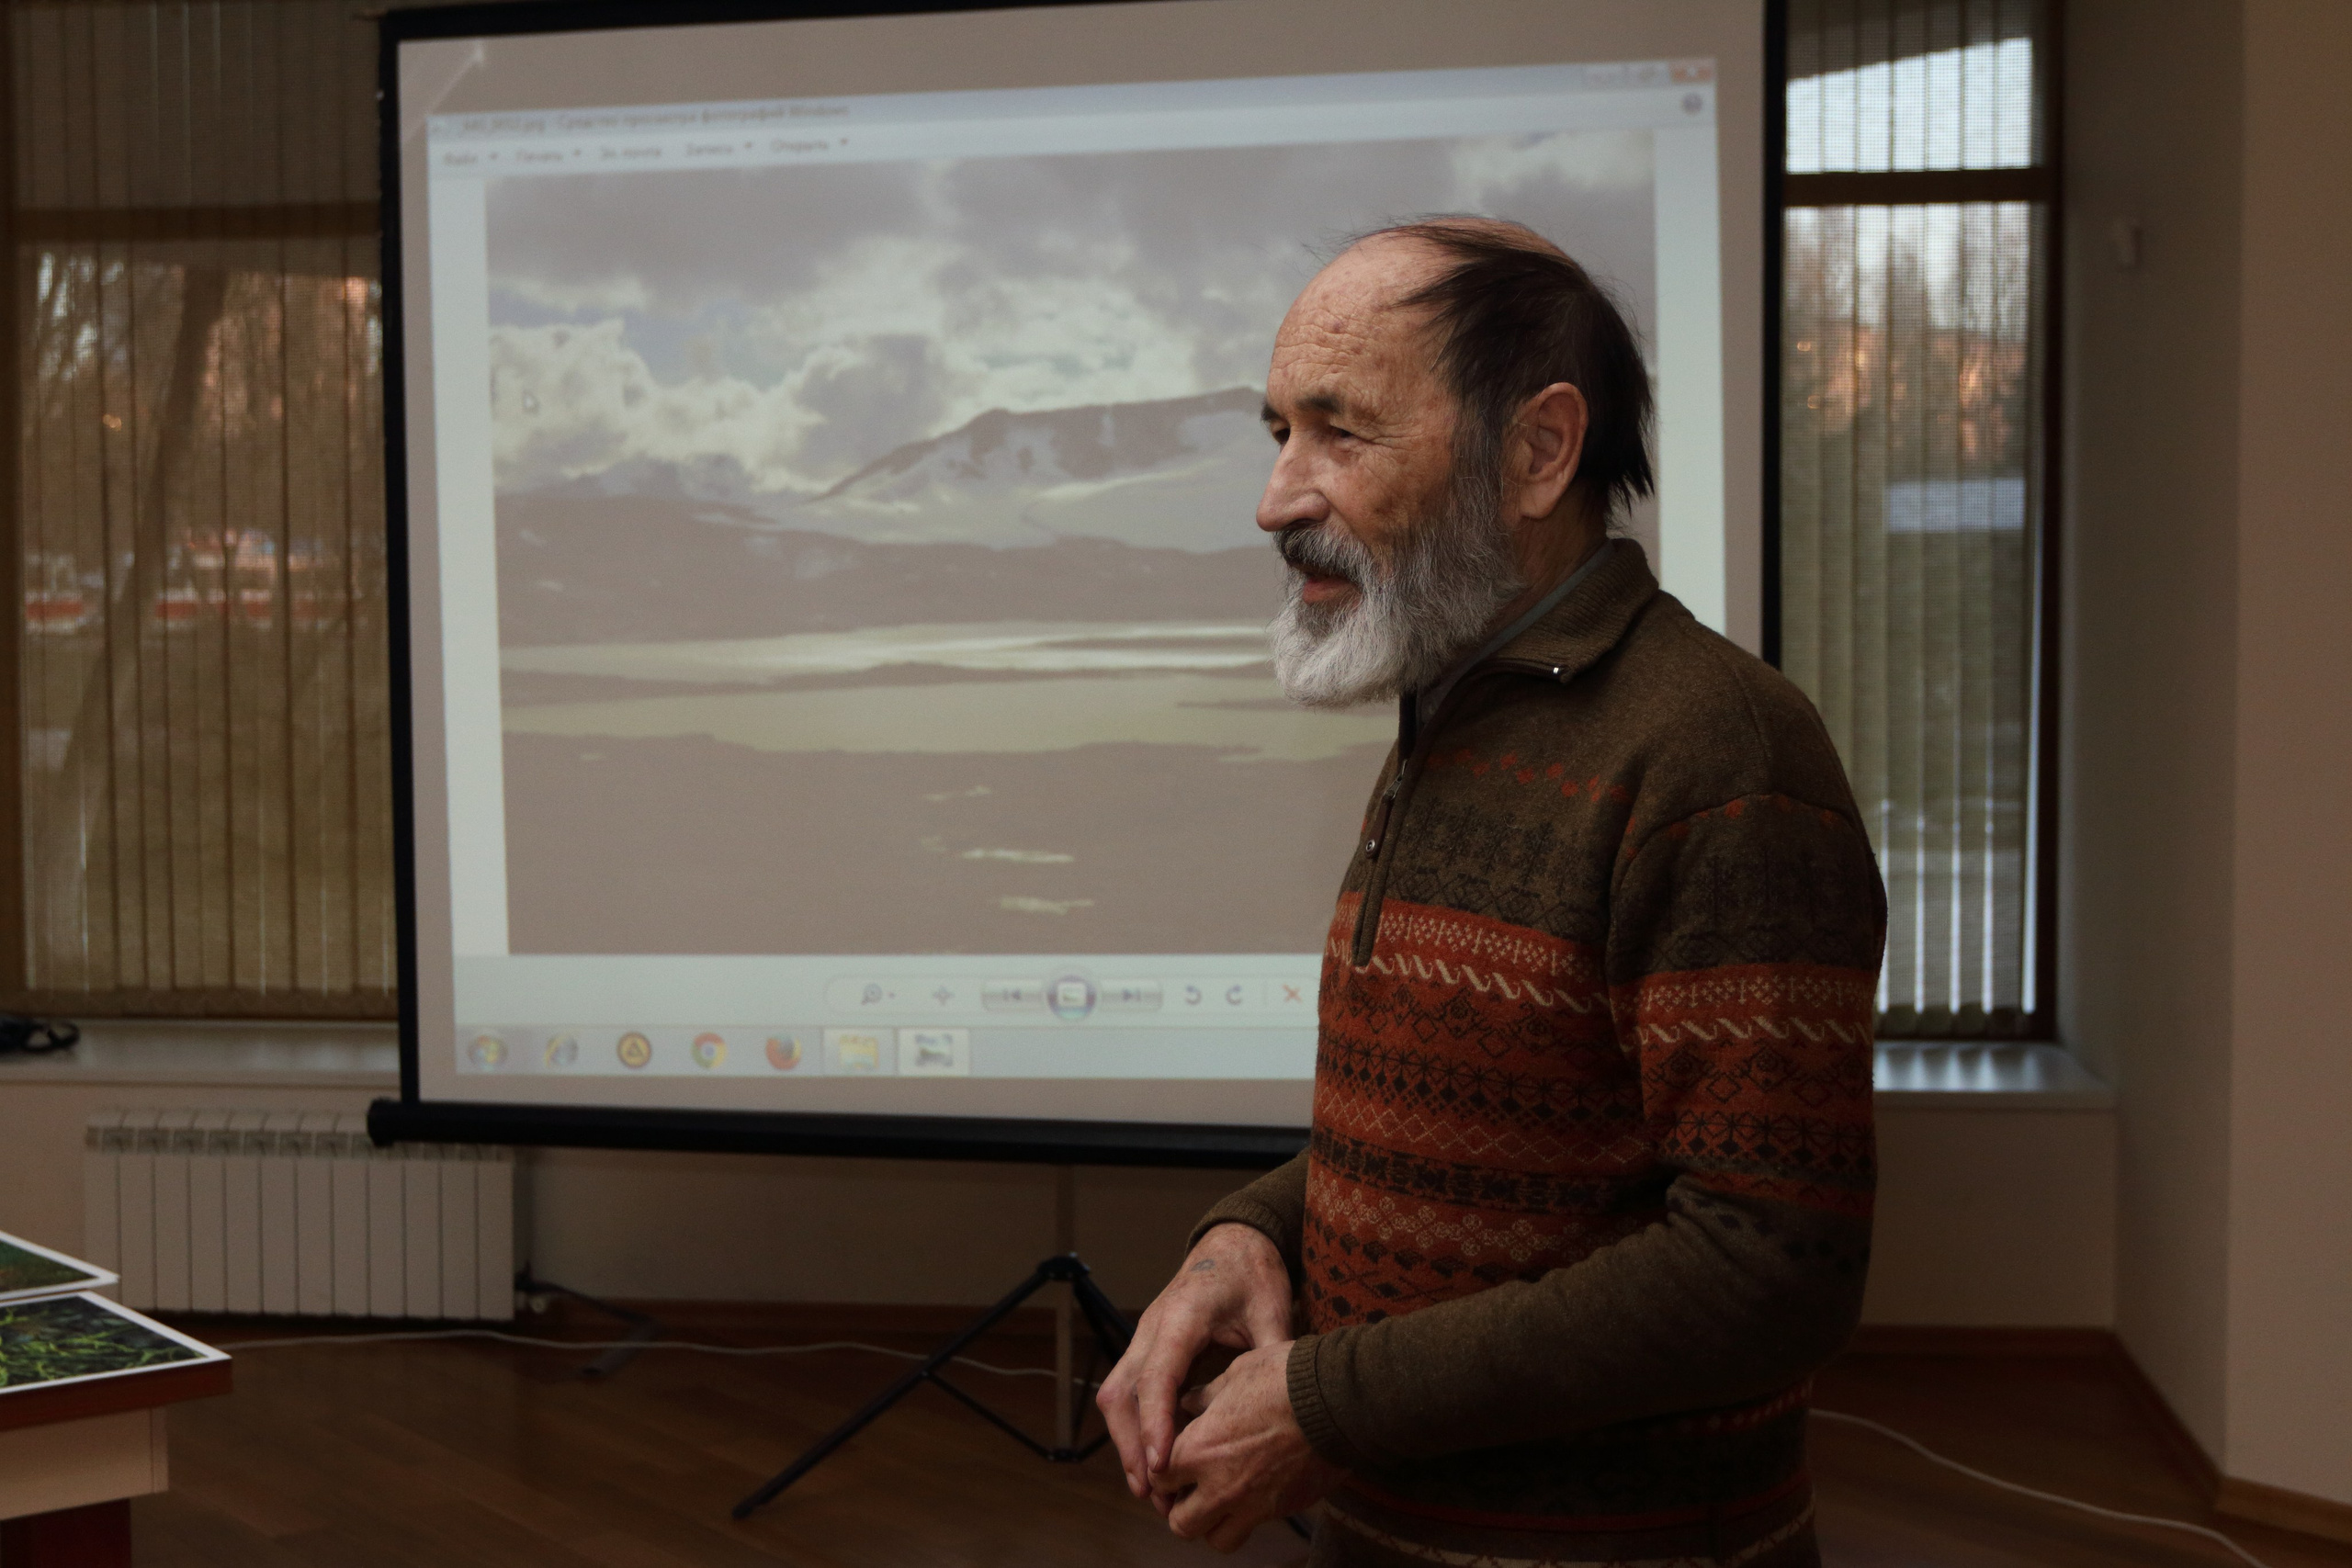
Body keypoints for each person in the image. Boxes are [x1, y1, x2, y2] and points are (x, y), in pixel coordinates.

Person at [1096, 219, 1886, 1568]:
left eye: (1340, 432)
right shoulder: (1452, 710)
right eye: (1279, 432)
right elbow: (1497, 1139)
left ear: (1538, 451)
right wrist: (1250, 1237)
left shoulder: (1719, 753)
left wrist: (1328, 1405)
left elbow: (1769, 1265)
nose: (1276, 499)